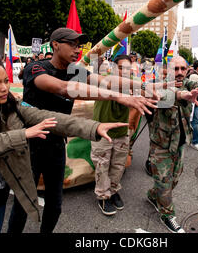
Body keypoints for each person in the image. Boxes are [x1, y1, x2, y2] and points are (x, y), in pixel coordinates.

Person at [0, 56, 124, 233]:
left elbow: (48, 117)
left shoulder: (9, 106)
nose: (4, 88)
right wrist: (23, 134)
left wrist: (93, 127)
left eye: (5, 81)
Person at [8, 27, 158, 233]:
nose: (77, 49)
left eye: (79, 45)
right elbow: (63, 88)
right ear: (55, 45)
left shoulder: (75, 71)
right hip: (29, 145)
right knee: (23, 203)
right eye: (72, 44)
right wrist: (116, 96)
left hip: (56, 145)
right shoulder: (36, 68)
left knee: (55, 204)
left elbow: (107, 81)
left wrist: (143, 87)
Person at [146, 56, 198, 233]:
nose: (179, 72)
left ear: (187, 70)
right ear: (169, 70)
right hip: (161, 145)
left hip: (180, 142)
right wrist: (181, 95)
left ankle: (153, 195)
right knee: (164, 182)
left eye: (182, 68)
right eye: (175, 69)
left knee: (174, 179)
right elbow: (163, 98)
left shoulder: (189, 83)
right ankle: (167, 215)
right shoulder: (158, 85)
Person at [91, 55, 133, 216]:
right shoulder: (104, 81)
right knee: (102, 165)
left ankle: (113, 191)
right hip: (102, 132)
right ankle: (102, 196)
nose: (125, 72)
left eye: (128, 69)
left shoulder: (131, 86)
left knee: (118, 165)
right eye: (121, 68)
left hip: (122, 133)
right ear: (114, 68)